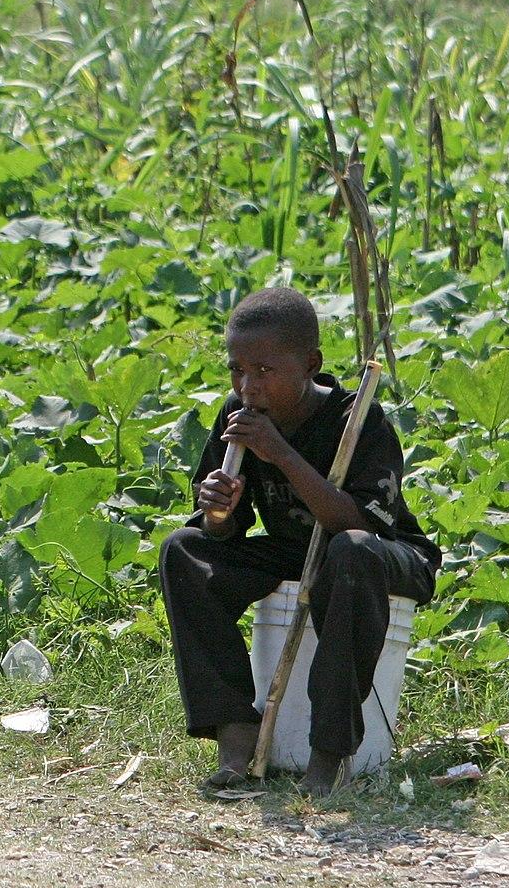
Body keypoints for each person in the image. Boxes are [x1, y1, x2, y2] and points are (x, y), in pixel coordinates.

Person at [159, 287, 440, 796]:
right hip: (299, 550)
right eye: (237, 370)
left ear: (309, 364)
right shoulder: (238, 416)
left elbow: (362, 525)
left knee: (350, 551)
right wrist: (218, 509)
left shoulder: (358, 418)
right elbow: (222, 530)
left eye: (264, 371)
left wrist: (281, 454)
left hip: (384, 555)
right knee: (185, 549)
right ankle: (236, 733)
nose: (248, 386)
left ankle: (327, 755)